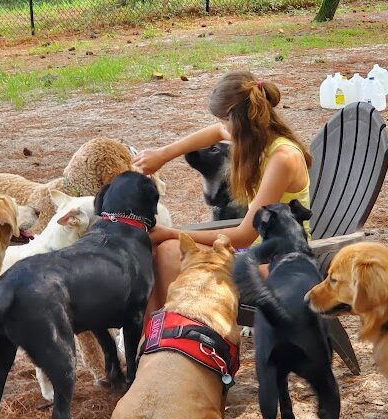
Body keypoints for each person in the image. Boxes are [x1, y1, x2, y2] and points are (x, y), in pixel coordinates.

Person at [133, 71, 312, 313]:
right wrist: (163, 154)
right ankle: (154, 337)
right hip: (253, 254)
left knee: (167, 252)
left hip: (277, 265)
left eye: (224, 121)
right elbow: (216, 132)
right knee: (158, 250)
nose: (222, 129)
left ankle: (162, 333)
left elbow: (243, 235)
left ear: (238, 122)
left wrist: (171, 232)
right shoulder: (259, 135)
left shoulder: (282, 159)